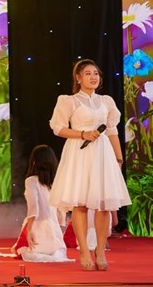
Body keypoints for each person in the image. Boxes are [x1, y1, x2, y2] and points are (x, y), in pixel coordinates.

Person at [48, 58, 131, 271]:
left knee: (104, 204)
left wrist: (118, 158)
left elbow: (112, 130)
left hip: (103, 154)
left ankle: (100, 250)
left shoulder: (106, 101)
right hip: (80, 152)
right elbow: (58, 128)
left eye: (96, 74)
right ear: (78, 78)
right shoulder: (68, 101)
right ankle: (84, 250)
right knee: (81, 204)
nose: (93, 77)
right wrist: (83, 134)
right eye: (88, 73)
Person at [12, 145, 70, 262]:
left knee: (20, 250)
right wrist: (60, 227)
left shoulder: (31, 181)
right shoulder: (57, 182)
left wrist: (29, 230)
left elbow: (33, 207)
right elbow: (61, 208)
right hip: (54, 229)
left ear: (34, 161)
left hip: (38, 227)